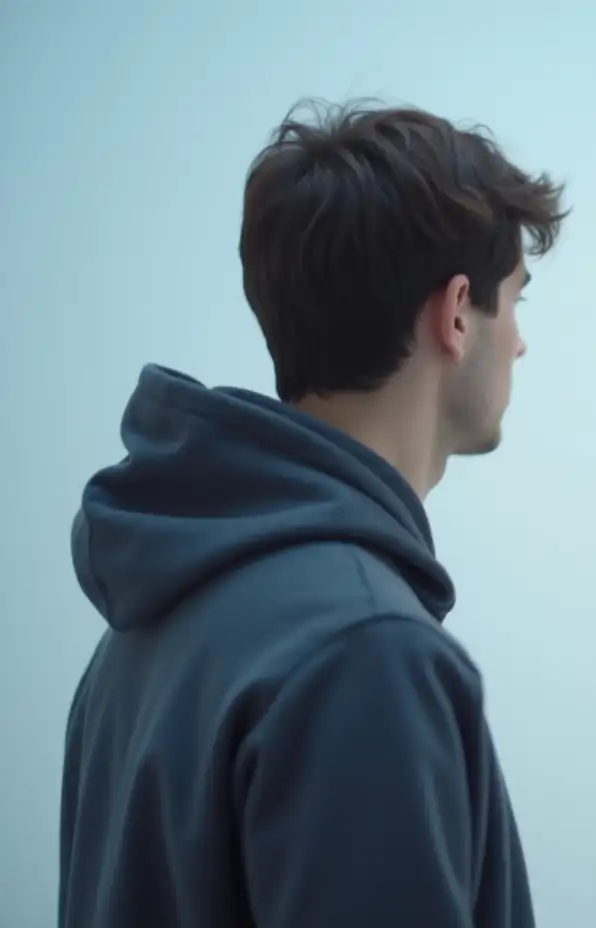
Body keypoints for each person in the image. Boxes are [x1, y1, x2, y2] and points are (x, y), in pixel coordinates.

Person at [58, 99, 568, 928]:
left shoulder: (150, 614)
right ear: (456, 312)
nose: (519, 342)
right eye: (515, 301)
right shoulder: (365, 653)